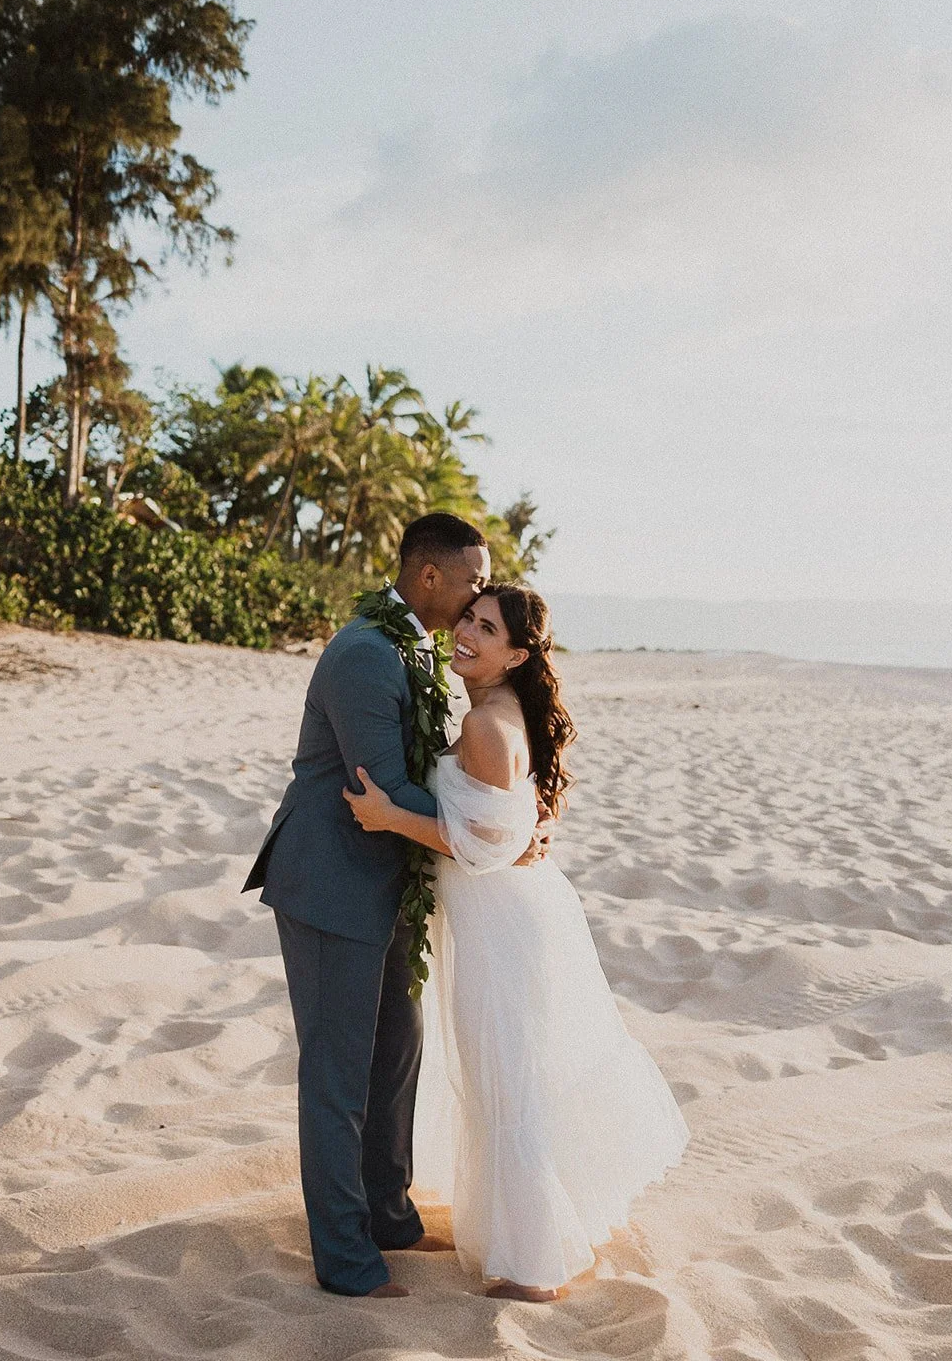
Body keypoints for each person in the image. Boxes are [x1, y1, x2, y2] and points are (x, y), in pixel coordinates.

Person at [344, 583, 690, 1301]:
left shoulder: (486, 724)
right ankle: (529, 1243)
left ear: (517, 655)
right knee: (508, 1079)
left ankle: (534, 1269)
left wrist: (388, 817)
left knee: (507, 1086)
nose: (467, 633)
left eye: (487, 629)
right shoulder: (495, 711)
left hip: (501, 925)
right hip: (504, 915)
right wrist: (535, 828)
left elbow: (482, 845)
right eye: (469, 618)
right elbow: (514, 819)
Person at [243, 514, 547, 1298]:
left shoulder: (416, 648)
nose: (480, 594)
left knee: (396, 1054)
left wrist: (507, 822)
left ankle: (390, 1215)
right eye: (473, 581)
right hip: (333, 883)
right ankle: (346, 1260)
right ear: (429, 576)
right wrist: (496, 839)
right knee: (338, 1073)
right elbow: (380, 788)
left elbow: (446, 770)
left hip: (395, 881)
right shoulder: (364, 655)